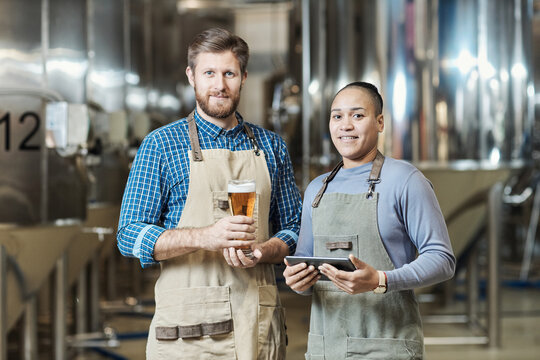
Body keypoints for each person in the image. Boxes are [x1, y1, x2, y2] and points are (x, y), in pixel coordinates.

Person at [117, 28, 302, 359]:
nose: (220, 85)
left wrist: (263, 251)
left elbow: (296, 228)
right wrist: (206, 237)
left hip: (259, 329)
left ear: (243, 76)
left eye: (229, 73)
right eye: (209, 73)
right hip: (191, 337)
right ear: (191, 76)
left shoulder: (272, 147)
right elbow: (129, 235)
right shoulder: (161, 145)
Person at [283, 82, 455, 359]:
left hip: (387, 346)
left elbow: (442, 259)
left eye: (357, 115)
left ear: (379, 122)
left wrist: (381, 279)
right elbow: (306, 266)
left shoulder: (405, 180)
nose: (345, 125)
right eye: (337, 116)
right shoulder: (317, 189)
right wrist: (298, 281)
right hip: (326, 348)